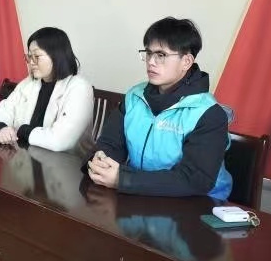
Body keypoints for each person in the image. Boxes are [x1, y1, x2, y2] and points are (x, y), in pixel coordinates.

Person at [86, 17, 232, 199]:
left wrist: (123, 179)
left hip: (198, 204)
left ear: (186, 61)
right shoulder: (135, 97)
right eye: (148, 53)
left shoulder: (209, 114)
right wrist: (101, 160)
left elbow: (195, 179)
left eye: (161, 55)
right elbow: (111, 143)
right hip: (140, 195)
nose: (151, 62)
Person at [0, 27, 93, 152]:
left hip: (68, 160)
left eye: (36, 56)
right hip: (29, 154)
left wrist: (22, 130)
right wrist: (1, 128)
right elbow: (4, 110)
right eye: (29, 57)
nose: (31, 62)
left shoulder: (79, 87)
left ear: (56, 55)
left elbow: (60, 141)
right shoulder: (29, 83)